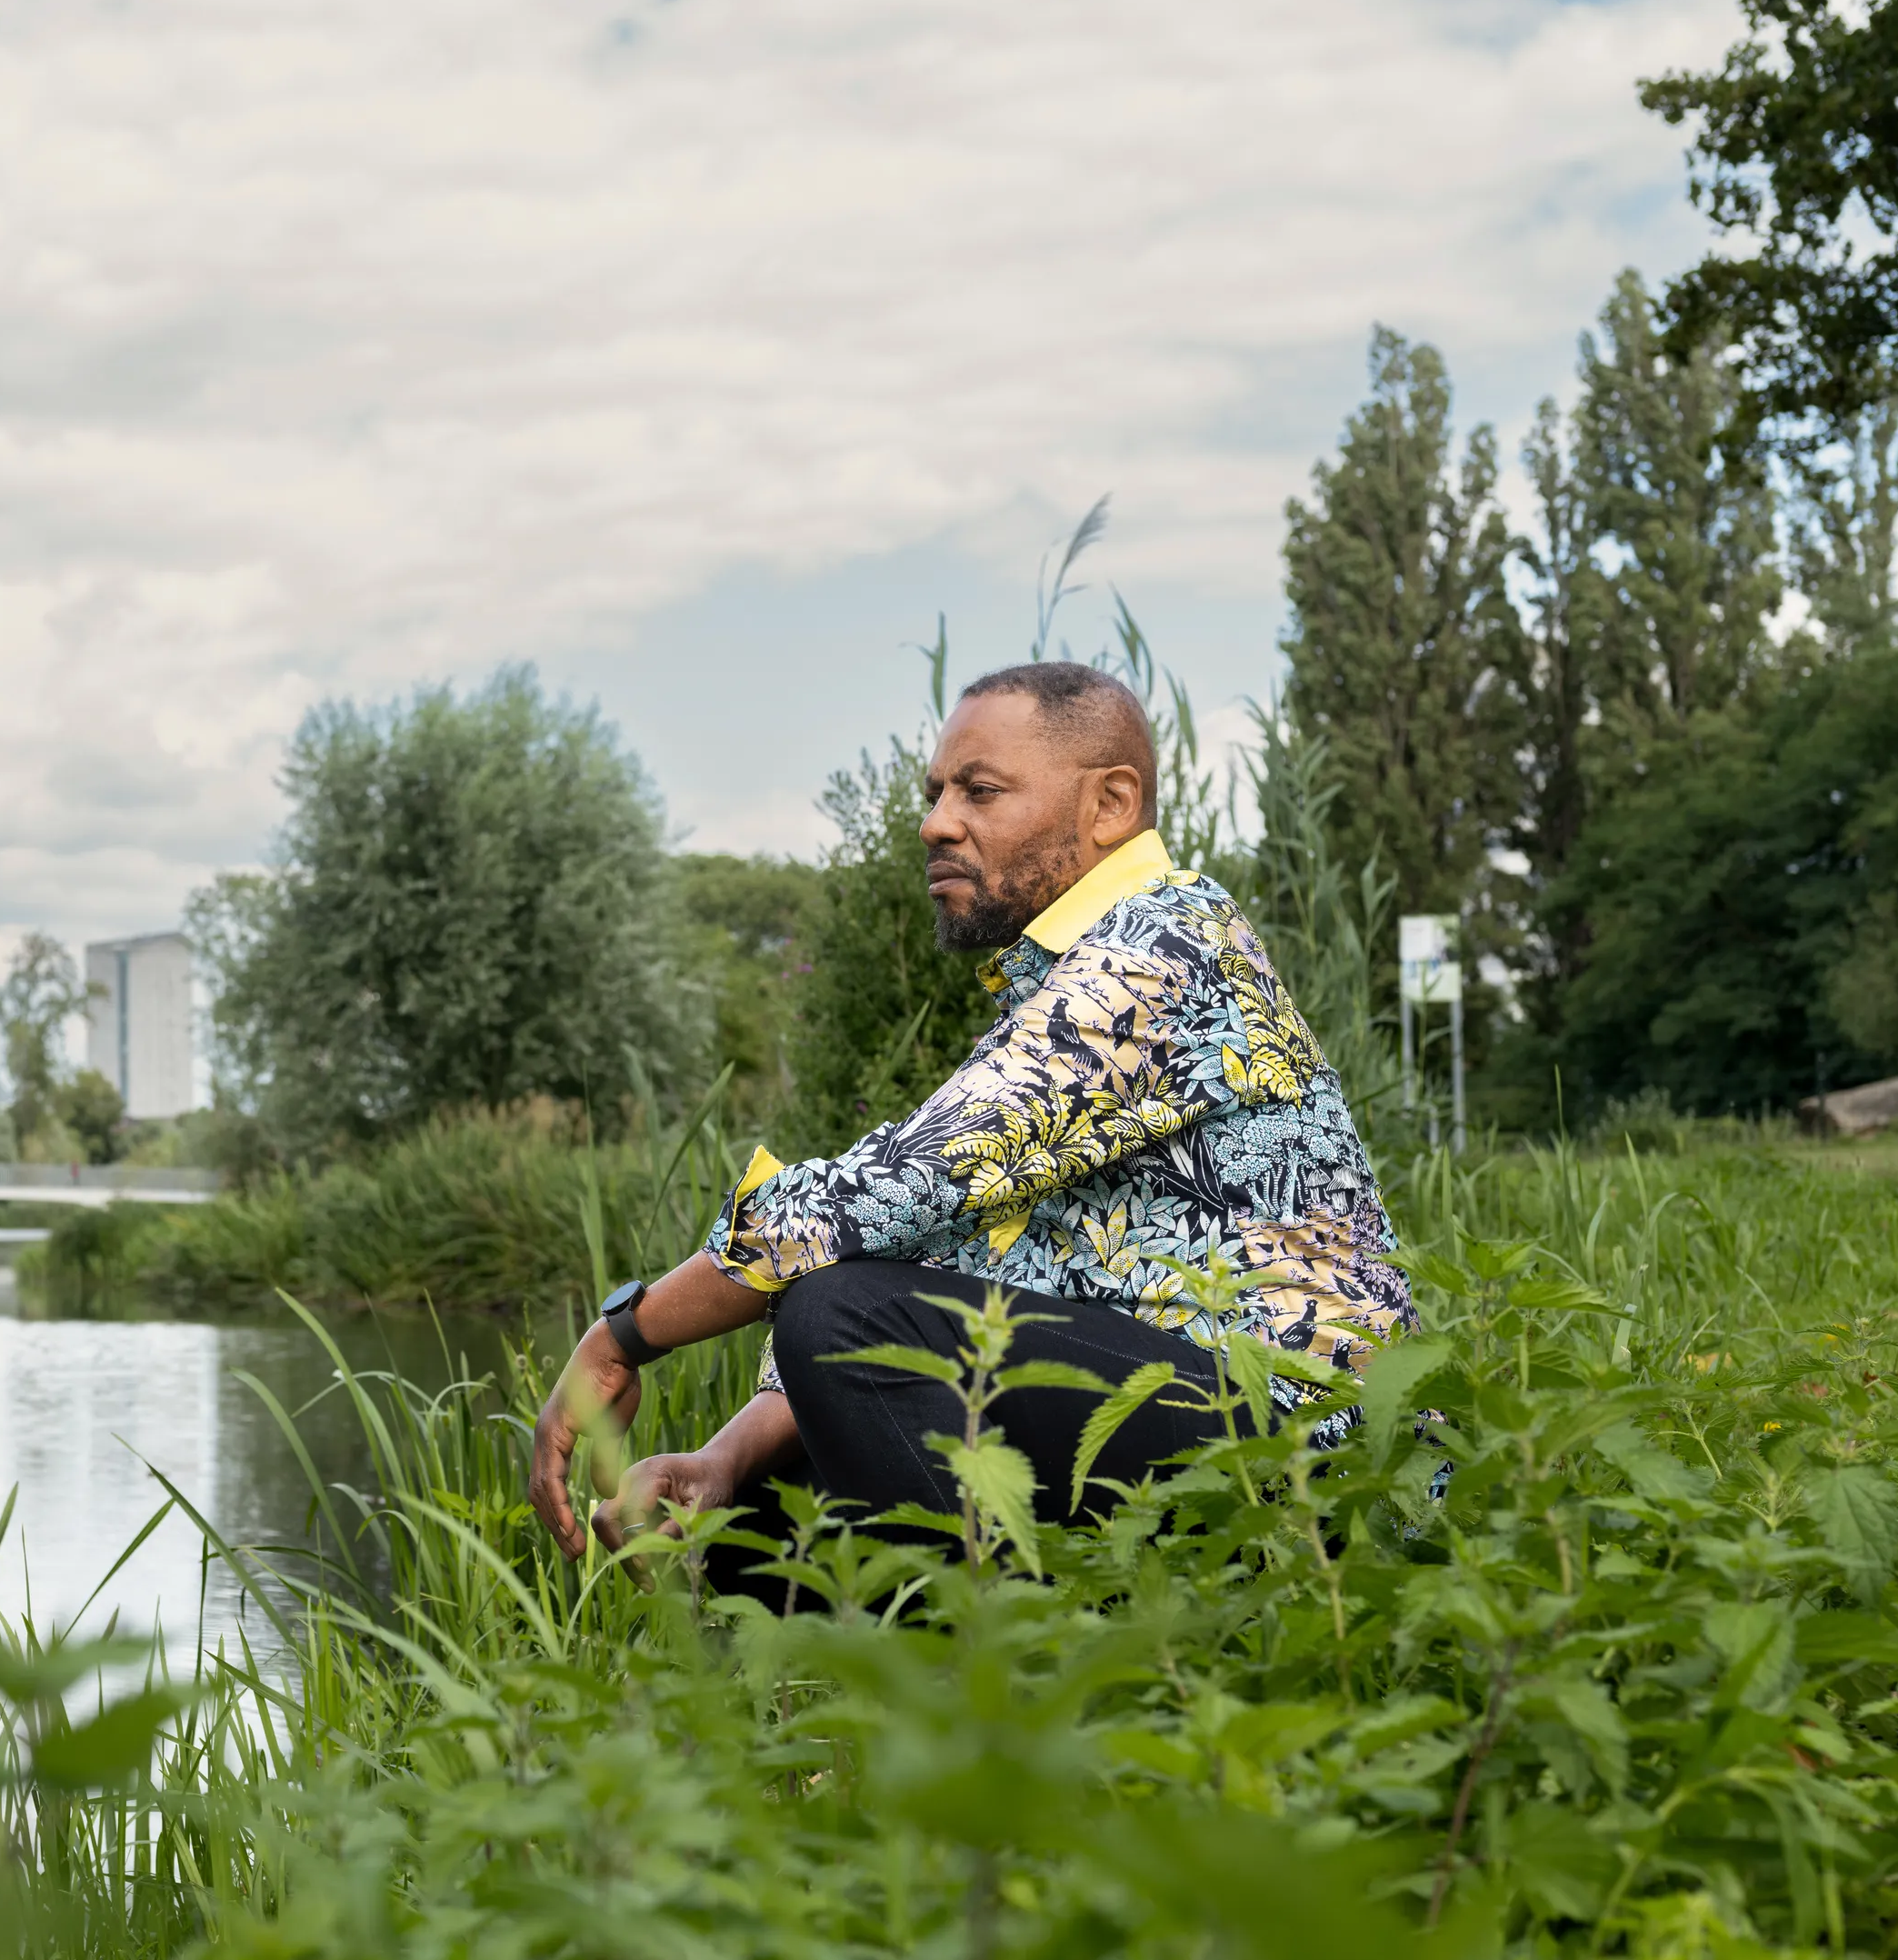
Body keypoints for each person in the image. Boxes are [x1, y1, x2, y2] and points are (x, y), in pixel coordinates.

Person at [525, 659, 1413, 1575]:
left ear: (1110, 805)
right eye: (937, 791)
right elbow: (943, 1245)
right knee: (753, 1519)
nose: (936, 822)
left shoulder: (1160, 948)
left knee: (842, 1316)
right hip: (1194, 1410)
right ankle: (920, 1688)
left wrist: (623, 1334)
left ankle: (1006, 1683)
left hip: (1314, 1454)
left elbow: (887, 1192)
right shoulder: (1072, 980)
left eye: (979, 792)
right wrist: (727, 1457)